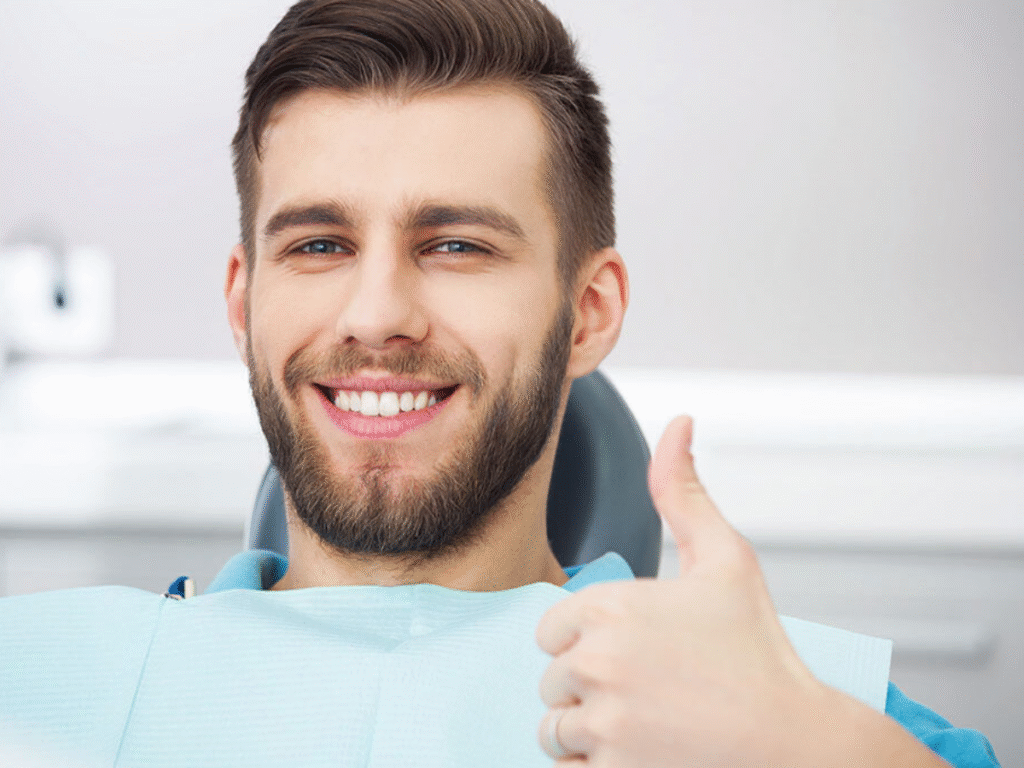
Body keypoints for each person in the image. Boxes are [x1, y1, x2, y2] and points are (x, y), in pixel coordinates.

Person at [0, 1, 1001, 766]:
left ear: (589, 311)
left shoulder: (797, 709)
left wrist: (816, 748)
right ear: (241, 303)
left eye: (454, 243)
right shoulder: (37, 681)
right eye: (318, 243)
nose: (376, 311)